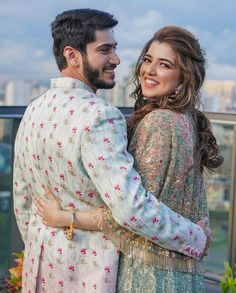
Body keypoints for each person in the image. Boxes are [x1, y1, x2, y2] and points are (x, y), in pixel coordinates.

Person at [14, 9, 209, 293]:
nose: (116, 59)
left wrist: (43, 242)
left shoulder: (33, 110)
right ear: (72, 55)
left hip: (40, 268)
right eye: (105, 50)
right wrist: (196, 237)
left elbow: (22, 200)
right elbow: (132, 208)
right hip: (90, 274)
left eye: (114, 49)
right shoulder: (101, 116)